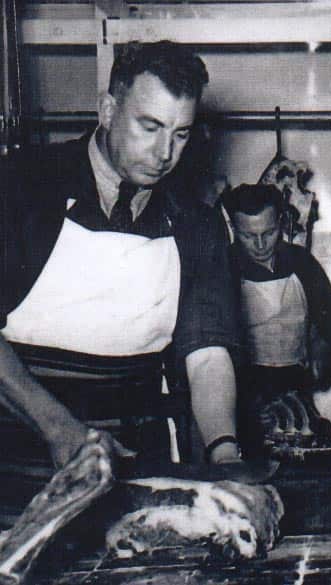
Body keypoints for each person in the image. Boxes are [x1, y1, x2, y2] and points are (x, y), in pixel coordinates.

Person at [0, 41, 249, 522]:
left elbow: (207, 351)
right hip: (15, 470)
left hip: (135, 477)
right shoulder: (22, 187)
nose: (163, 154)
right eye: (149, 127)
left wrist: (225, 453)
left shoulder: (196, 224)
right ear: (109, 109)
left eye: (181, 135)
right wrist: (60, 431)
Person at [223, 183, 331, 456]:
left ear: (280, 223)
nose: (259, 245)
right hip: (242, 389)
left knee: (303, 451)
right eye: (249, 235)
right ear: (234, 229)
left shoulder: (300, 262)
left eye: (268, 233)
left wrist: (322, 347)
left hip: (296, 383)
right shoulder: (224, 266)